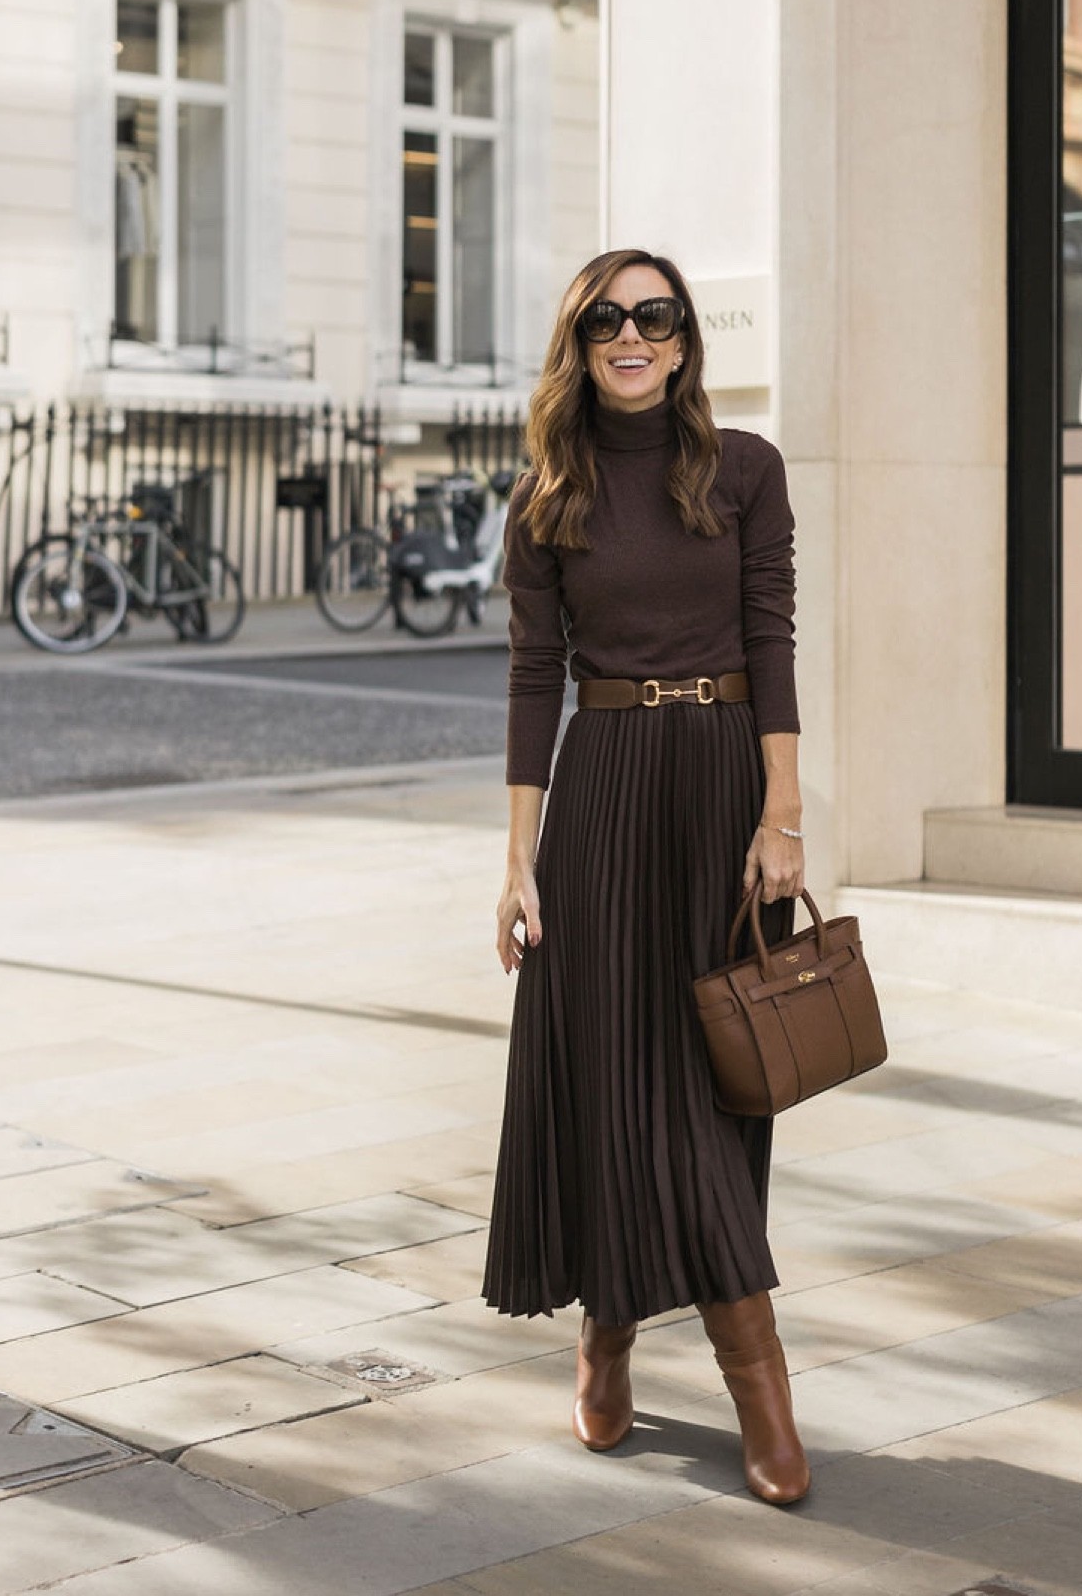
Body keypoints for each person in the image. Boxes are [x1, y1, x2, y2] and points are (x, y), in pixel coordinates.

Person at [482, 247, 810, 1506]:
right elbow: (528, 677)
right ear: (582, 340)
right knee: (618, 1081)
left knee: (717, 1087)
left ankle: (751, 1377)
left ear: (681, 342)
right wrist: (517, 858)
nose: (631, 334)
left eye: (653, 315)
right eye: (607, 316)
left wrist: (781, 811)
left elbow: (769, 636)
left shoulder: (742, 471)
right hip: (605, 790)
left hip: (721, 786)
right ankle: (609, 1330)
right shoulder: (544, 494)